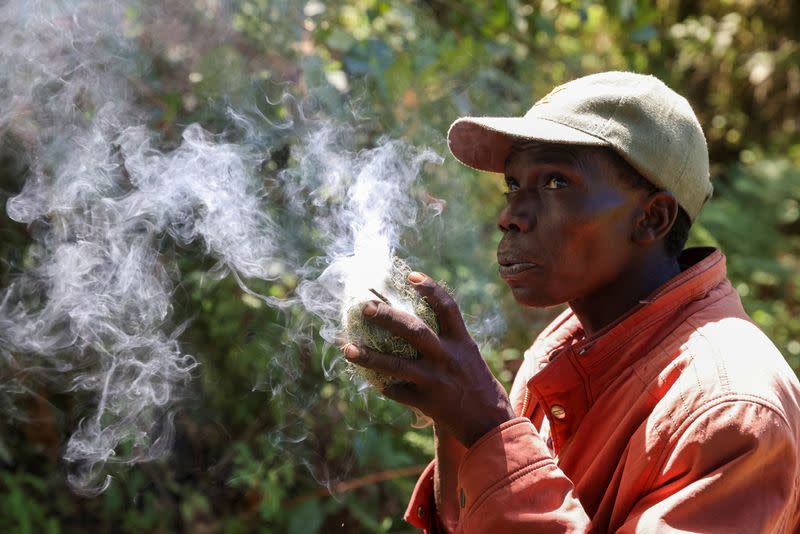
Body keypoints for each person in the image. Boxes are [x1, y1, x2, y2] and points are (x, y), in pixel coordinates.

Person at [341, 71, 800, 532]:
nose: (510, 216)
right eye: (514, 185)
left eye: (556, 183)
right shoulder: (564, 350)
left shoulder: (729, 411)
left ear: (652, 217)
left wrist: (488, 428)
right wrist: (454, 421)